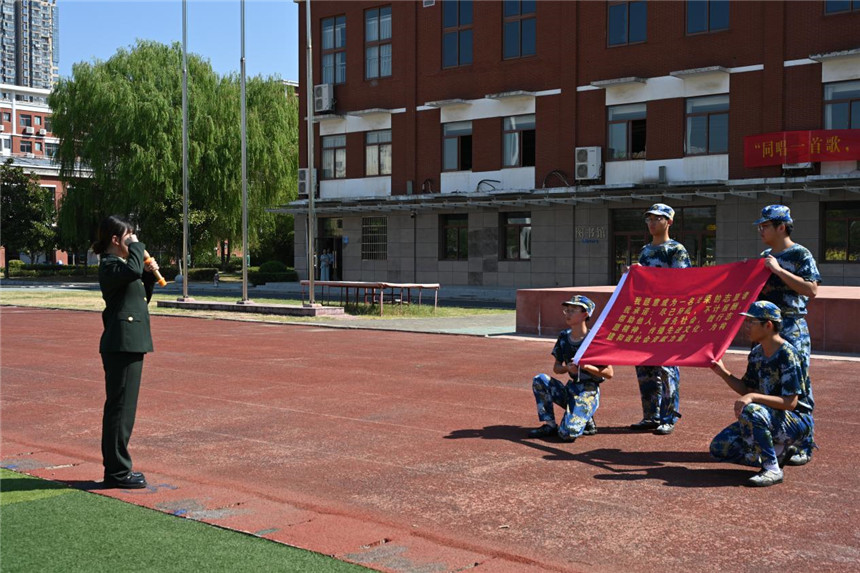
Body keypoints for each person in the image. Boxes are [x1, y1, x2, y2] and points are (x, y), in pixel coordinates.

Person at [708, 301, 813, 487]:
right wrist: (723, 372)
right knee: (719, 447)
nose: (746, 327)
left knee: (752, 410)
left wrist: (753, 397)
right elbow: (746, 389)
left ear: (768, 325)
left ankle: (772, 469)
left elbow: (790, 403)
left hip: (796, 420)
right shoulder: (757, 353)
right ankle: (778, 452)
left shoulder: (787, 354)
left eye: (751, 322)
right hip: (770, 416)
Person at [92, 215, 159, 489]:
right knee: (120, 409)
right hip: (121, 343)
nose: (131, 241)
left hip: (130, 342)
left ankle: (117, 468)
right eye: (128, 237)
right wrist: (138, 246)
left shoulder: (122, 267)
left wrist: (148, 275)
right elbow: (129, 274)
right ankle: (118, 472)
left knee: (123, 409)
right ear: (115, 240)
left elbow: (139, 297)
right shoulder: (109, 265)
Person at [754, 204, 821, 466]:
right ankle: (776, 440)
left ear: (781, 227)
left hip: (791, 326)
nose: (761, 230)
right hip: (766, 329)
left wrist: (779, 270)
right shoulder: (765, 254)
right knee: (767, 382)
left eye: (766, 225)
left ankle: (804, 443)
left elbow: (811, 290)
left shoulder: (799, 254)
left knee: (798, 385)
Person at [629, 203, 691, 435]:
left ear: (669, 222)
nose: (652, 223)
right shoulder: (645, 251)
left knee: (666, 368)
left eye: (658, 218)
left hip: (668, 318)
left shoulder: (676, 250)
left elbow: (682, 284)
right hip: (646, 317)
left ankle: (668, 416)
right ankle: (650, 415)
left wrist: (647, 275)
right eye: (649, 219)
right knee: (645, 368)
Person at [528, 295, 614, 442]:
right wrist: (567, 369)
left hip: (588, 391)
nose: (567, 313)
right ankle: (549, 424)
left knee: (567, 434)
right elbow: (556, 368)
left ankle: (583, 418)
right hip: (571, 389)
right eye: (566, 310)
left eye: (573, 310)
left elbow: (609, 373)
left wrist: (586, 367)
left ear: (585, 314)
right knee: (540, 380)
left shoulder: (595, 339)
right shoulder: (563, 336)